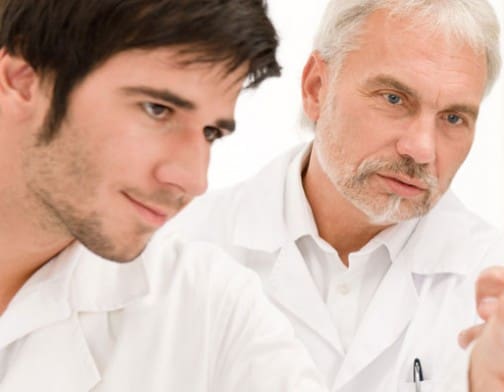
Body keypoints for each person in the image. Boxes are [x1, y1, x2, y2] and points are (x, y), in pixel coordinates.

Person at [167, 0, 504, 390]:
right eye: (394, 97)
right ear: (315, 87)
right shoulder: (180, 250)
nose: (422, 148)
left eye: (453, 118)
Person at [0, 1, 323, 390]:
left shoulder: (212, 311)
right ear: (21, 80)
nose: (193, 179)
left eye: (210, 133)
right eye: (157, 109)